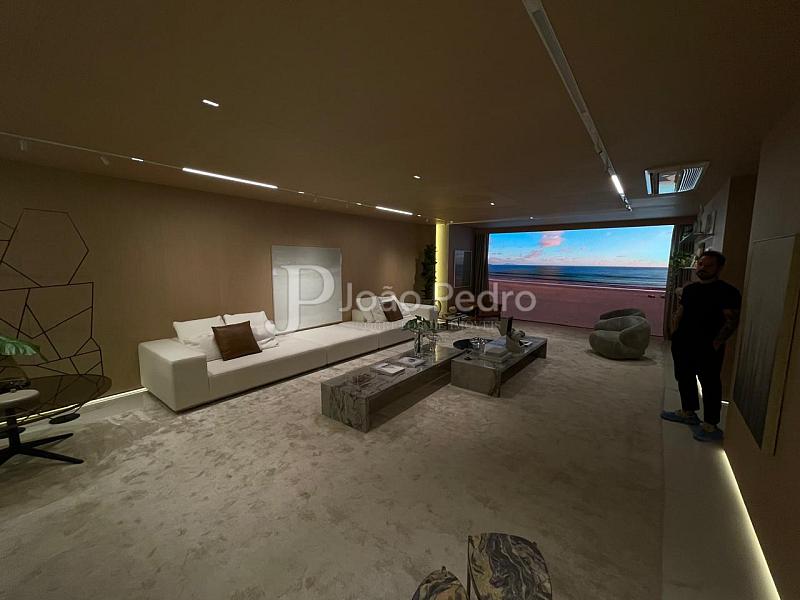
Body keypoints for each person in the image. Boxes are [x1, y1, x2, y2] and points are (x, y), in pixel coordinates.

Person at [661, 250, 741, 442]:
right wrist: (675, 332)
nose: (703, 268)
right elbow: (681, 311)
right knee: (684, 377)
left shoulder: (727, 291)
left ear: (719, 268)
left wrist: (717, 343)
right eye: (700, 264)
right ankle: (688, 412)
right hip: (683, 341)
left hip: (708, 345)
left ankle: (711, 425)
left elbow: (732, 321)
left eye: (709, 265)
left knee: (709, 383)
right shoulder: (690, 289)